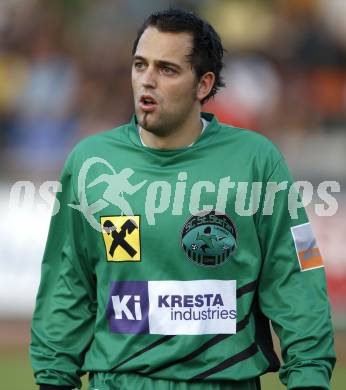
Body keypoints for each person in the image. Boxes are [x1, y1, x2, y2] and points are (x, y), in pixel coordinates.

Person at [30, 8, 335, 390]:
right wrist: (53, 378)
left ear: (203, 85)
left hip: (224, 382)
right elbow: (67, 278)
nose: (147, 81)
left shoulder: (258, 161)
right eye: (140, 65)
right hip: (121, 382)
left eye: (167, 70)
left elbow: (298, 270)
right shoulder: (91, 164)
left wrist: (309, 374)